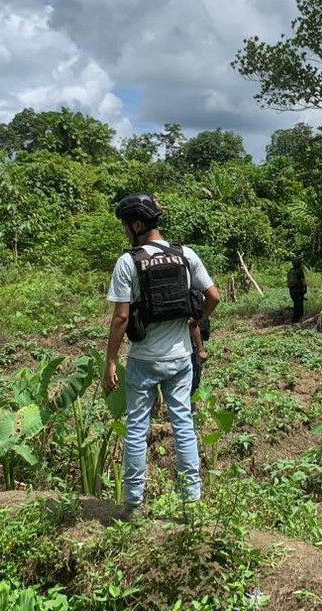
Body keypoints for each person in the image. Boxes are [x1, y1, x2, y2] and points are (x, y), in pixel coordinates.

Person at [104, 193, 220, 519]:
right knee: (183, 425)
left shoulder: (129, 262)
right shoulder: (185, 255)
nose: (125, 231)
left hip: (143, 361)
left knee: (137, 430)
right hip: (181, 359)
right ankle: (191, 503)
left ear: (138, 224)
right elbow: (213, 295)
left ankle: (133, 506)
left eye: (127, 225)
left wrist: (111, 361)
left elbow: (121, 318)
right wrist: (196, 320)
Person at [287, 256, 307, 323]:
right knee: (299, 305)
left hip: (291, 291)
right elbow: (303, 281)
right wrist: (305, 289)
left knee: (296, 304)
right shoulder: (299, 271)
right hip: (298, 290)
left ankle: (296, 320)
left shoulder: (290, 271)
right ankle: (297, 320)